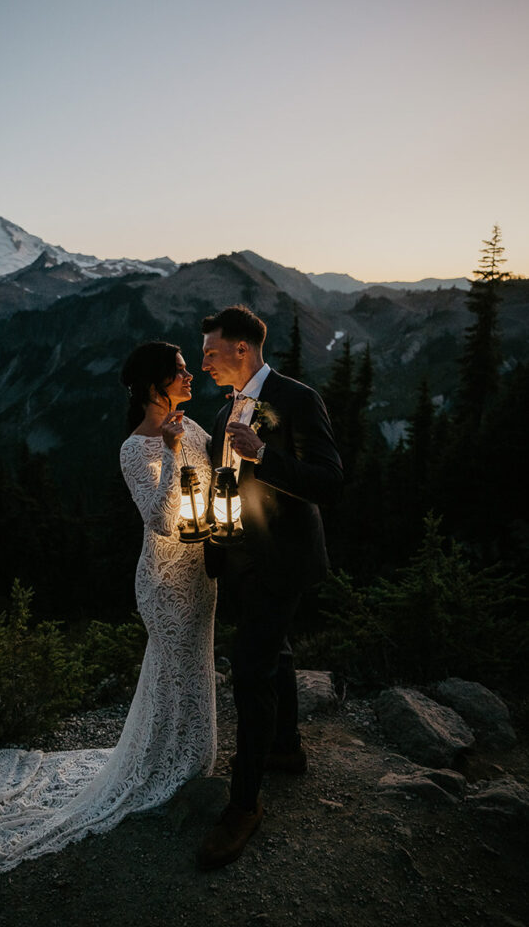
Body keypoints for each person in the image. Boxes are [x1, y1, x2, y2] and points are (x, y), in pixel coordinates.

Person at [0, 341, 216, 873]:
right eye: (181, 371)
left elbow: (214, 490)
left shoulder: (197, 430)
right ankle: (165, 770)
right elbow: (161, 520)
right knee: (173, 669)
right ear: (153, 384)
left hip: (202, 573)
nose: (191, 376)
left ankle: (192, 760)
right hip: (165, 578)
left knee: (194, 667)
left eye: (188, 368)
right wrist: (167, 454)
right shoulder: (135, 448)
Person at [197, 305, 343, 870]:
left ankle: (244, 807)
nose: (204, 362)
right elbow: (223, 483)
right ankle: (285, 749)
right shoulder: (223, 410)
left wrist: (264, 454)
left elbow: (329, 484)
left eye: (211, 352)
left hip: (283, 560)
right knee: (274, 652)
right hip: (239, 558)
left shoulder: (297, 398)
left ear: (242, 349)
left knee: (252, 668)